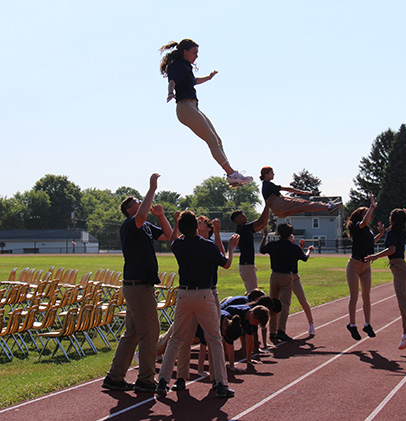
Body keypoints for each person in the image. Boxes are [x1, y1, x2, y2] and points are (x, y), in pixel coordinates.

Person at [156, 210, 239, 398]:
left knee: (176, 339)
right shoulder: (207, 245)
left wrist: (176, 222)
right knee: (215, 339)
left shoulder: (178, 245)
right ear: (195, 227)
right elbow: (226, 264)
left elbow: (172, 241)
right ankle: (221, 383)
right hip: (204, 294)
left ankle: (162, 381)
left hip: (184, 294)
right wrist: (232, 247)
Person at [102, 173, 173, 393]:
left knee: (132, 333)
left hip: (138, 286)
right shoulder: (131, 225)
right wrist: (152, 188)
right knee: (150, 333)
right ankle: (145, 379)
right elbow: (141, 216)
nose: (140, 203)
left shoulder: (146, 226)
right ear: (129, 211)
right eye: (136, 203)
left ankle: (115, 377)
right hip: (139, 286)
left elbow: (170, 237)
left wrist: (161, 215)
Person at [159, 39, 252, 187]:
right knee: (212, 140)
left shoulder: (186, 66)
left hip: (192, 107)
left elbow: (193, 81)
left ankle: (231, 175)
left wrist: (208, 78)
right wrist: (170, 93)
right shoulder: (177, 66)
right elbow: (172, 81)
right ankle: (232, 174)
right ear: (185, 52)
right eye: (194, 53)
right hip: (185, 107)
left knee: (217, 139)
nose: (196, 56)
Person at [365, 207, 406, 350]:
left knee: (403, 301)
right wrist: (402, 213)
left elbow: (392, 250)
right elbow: (399, 221)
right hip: (404, 268)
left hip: (399, 269)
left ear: (392, 220)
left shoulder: (392, 233)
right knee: (402, 303)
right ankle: (405, 333)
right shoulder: (402, 231)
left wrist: (375, 256)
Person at [260, 223, 313, 342]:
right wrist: (309, 251)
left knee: (273, 303)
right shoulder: (293, 247)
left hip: (274, 275)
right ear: (290, 234)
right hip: (287, 276)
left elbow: (261, 250)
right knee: (285, 304)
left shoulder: (273, 245)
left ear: (279, 233)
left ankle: (272, 332)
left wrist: (265, 236)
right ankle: (281, 330)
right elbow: (304, 258)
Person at [345, 194, 385, 340]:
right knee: (354, 296)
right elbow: (365, 220)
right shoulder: (358, 226)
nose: (369, 215)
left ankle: (367, 324)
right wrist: (372, 206)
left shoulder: (368, 230)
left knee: (367, 296)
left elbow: (370, 243)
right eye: (366, 212)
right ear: (361, 216)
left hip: (366, 266)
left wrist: (380, 235)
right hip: (354, 265)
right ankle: (352, 324)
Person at [259, 166, 341, 218]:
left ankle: (327, 205)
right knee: (305, 204)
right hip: (280, 206)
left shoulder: (265, 186)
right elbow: (288, 189)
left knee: (303, 205)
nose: (273, 174)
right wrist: (303, 192)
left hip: (277, 211)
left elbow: (282, 197)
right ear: (266, 174)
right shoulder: (268, 185)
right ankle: (329, 206)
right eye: (271, 173)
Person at [230, 203, 270, 293]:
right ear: (238, 219)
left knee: (250, 292)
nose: (245, 217)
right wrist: (267, 206)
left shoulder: (244, 229)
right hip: (247, 265)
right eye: (243, 216)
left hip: (247, 265)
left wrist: (268, 208)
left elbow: (263, 223)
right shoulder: (243, 228)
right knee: (253, 293)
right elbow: (260, 221)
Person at [222, 304, 269, 371]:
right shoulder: (235, 313)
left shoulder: (250, 319)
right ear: (252, 314)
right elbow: (229, 340)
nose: (256, 325)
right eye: (256, 322)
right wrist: (232, 366)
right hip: (220, 319)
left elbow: (249, 338)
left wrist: (249, 359)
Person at [289, 234, 316, 336]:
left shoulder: (294, 248)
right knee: (281, 303)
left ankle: (311, 323)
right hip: (284, 279)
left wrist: (306, 249)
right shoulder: (283, 248)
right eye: (290, 237)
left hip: (294, 279)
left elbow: (303, 257)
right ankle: (277, 328)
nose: (291, 238)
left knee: (303, 301)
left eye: (292, 237)